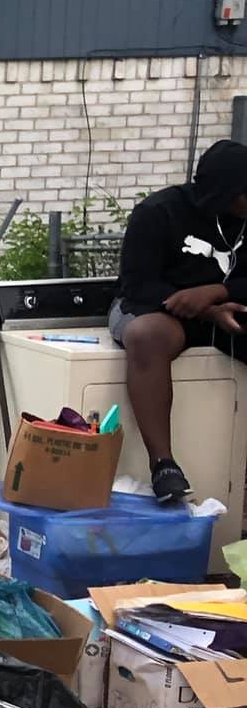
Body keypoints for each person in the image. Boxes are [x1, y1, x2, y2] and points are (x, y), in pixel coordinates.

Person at [112, 139, 247, 502]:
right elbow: (137, 283)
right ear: (224, 191)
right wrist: (205, 309)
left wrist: (217, 294)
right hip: (158, 308)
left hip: (228, 309)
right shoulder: (159, 212)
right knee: (147, 335)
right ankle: (164, 466)